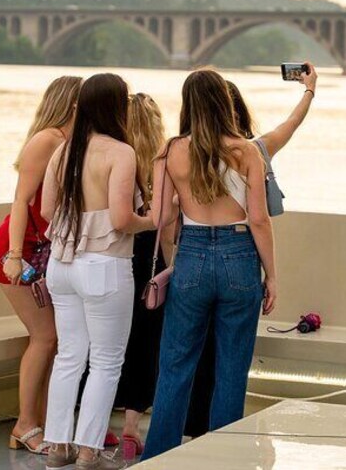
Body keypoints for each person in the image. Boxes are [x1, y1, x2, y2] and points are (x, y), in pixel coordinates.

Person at [140, 68, 278, 460]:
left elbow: (160, 219)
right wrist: (272, 276)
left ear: (188, 103)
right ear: (223, 100)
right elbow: (259, 220)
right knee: (231, 368)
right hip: (239, 257)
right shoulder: (246, 151)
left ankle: (158, 458)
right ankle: (223, 459)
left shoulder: (169, 152)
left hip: (193, 257)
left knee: (176, 364)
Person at [183, 66, 318, 438]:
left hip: (192, 260)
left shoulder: (181, 151)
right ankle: (221, 439)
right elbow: (289, 126)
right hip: (238, 260)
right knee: (232, 358)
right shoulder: (254, 151)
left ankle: (188, 430)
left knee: (189, 355)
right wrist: (309, 91)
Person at [41, 74, 155, 470]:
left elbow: (45, 211)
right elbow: (123, 219)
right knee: (106, 362)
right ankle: (89, 451)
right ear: (116, 106)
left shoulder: (64, 151)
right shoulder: (120, 152)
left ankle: (58, 446)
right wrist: (154, 218)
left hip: (62, 265)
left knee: (69, 357)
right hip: (104, 266)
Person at [0, 75, 82, 455]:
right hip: (20, 252)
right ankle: (25, 424)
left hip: (44, 255)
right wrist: (14, 256)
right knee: (44, 338)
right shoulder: (47, 140)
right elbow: (20, 200)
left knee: (55, 340)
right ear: (74, 104)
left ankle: (36, 424)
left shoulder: (71, 142)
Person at [113, 93, 172, 460]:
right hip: (149, 266)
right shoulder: (163, 164)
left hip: (112, 260)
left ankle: (97, 426)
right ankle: (132, 430)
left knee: (104, 345)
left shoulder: (114, 159)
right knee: (144, 344)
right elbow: (168, 228)